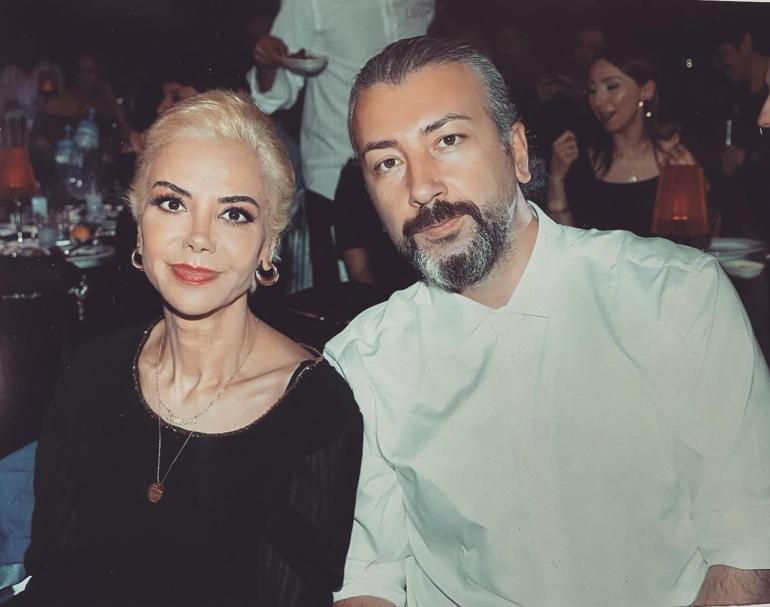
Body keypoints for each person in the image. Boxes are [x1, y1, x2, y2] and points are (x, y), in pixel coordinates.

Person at [326, 36, 770, 606]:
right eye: (387, 163)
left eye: (448, 140)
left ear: (515, 151)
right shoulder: (365, 360)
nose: (421, 187)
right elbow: (368, 577)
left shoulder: (673, 295)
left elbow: (747, 543)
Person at [12, 90, 363, 606]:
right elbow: (52, 574)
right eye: (172, 203)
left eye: (234, 214)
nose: (199, 238)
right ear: (139, 226)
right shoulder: (92, 369)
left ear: (269, 244)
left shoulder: (317, 411)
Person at [246, 0, 434, 286]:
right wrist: (268, 63)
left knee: (416, 288)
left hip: (408, 176)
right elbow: (273, 96)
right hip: (333, 177)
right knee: (348, 300)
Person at [548, 42, 698, 235]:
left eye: (612, 87)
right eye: (592, 90)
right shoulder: (581, 160)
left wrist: (692, 187)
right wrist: (556, 179)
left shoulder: (675, 157)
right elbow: (567, 243)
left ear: (646, 90)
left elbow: (696, 242)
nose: (598, 101)